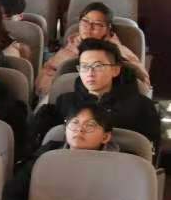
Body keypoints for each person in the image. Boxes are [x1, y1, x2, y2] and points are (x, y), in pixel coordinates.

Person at [29, 37, 160, 152]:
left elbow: (148, 154)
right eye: (84, 66)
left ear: (115, 70)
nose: (90, 73)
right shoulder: (65, 102)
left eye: (98, 66)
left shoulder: (142, 107)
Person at [4, 104, 118, 200]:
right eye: (75, 123)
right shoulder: (47, 153)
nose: (80, 129)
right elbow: (16, 190)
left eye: (90, 125)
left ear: (105, 137)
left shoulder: (119, 166)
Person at [37, 3, 150, 98]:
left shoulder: (119, 51)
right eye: (85, 21)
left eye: (97, 24)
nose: (89, 27)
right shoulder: (71, 46)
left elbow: (141, 81)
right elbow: (47, 73)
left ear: (108, 28)